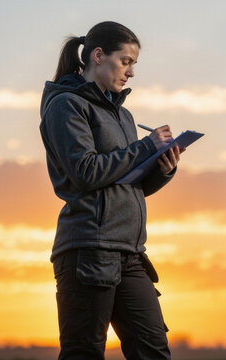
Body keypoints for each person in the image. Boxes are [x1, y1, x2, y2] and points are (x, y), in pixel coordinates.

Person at [39, 21, 181, 359]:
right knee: (84, 352)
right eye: (126, 61)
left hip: (131, 254)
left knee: (153, 350)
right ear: (99, 56)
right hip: (88, 249)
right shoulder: (66, 106)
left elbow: (126, 183)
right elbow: (86, 173)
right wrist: (146, 147)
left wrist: (164, 168)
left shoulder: (124, 116)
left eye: (134, 64)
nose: (131, 73)